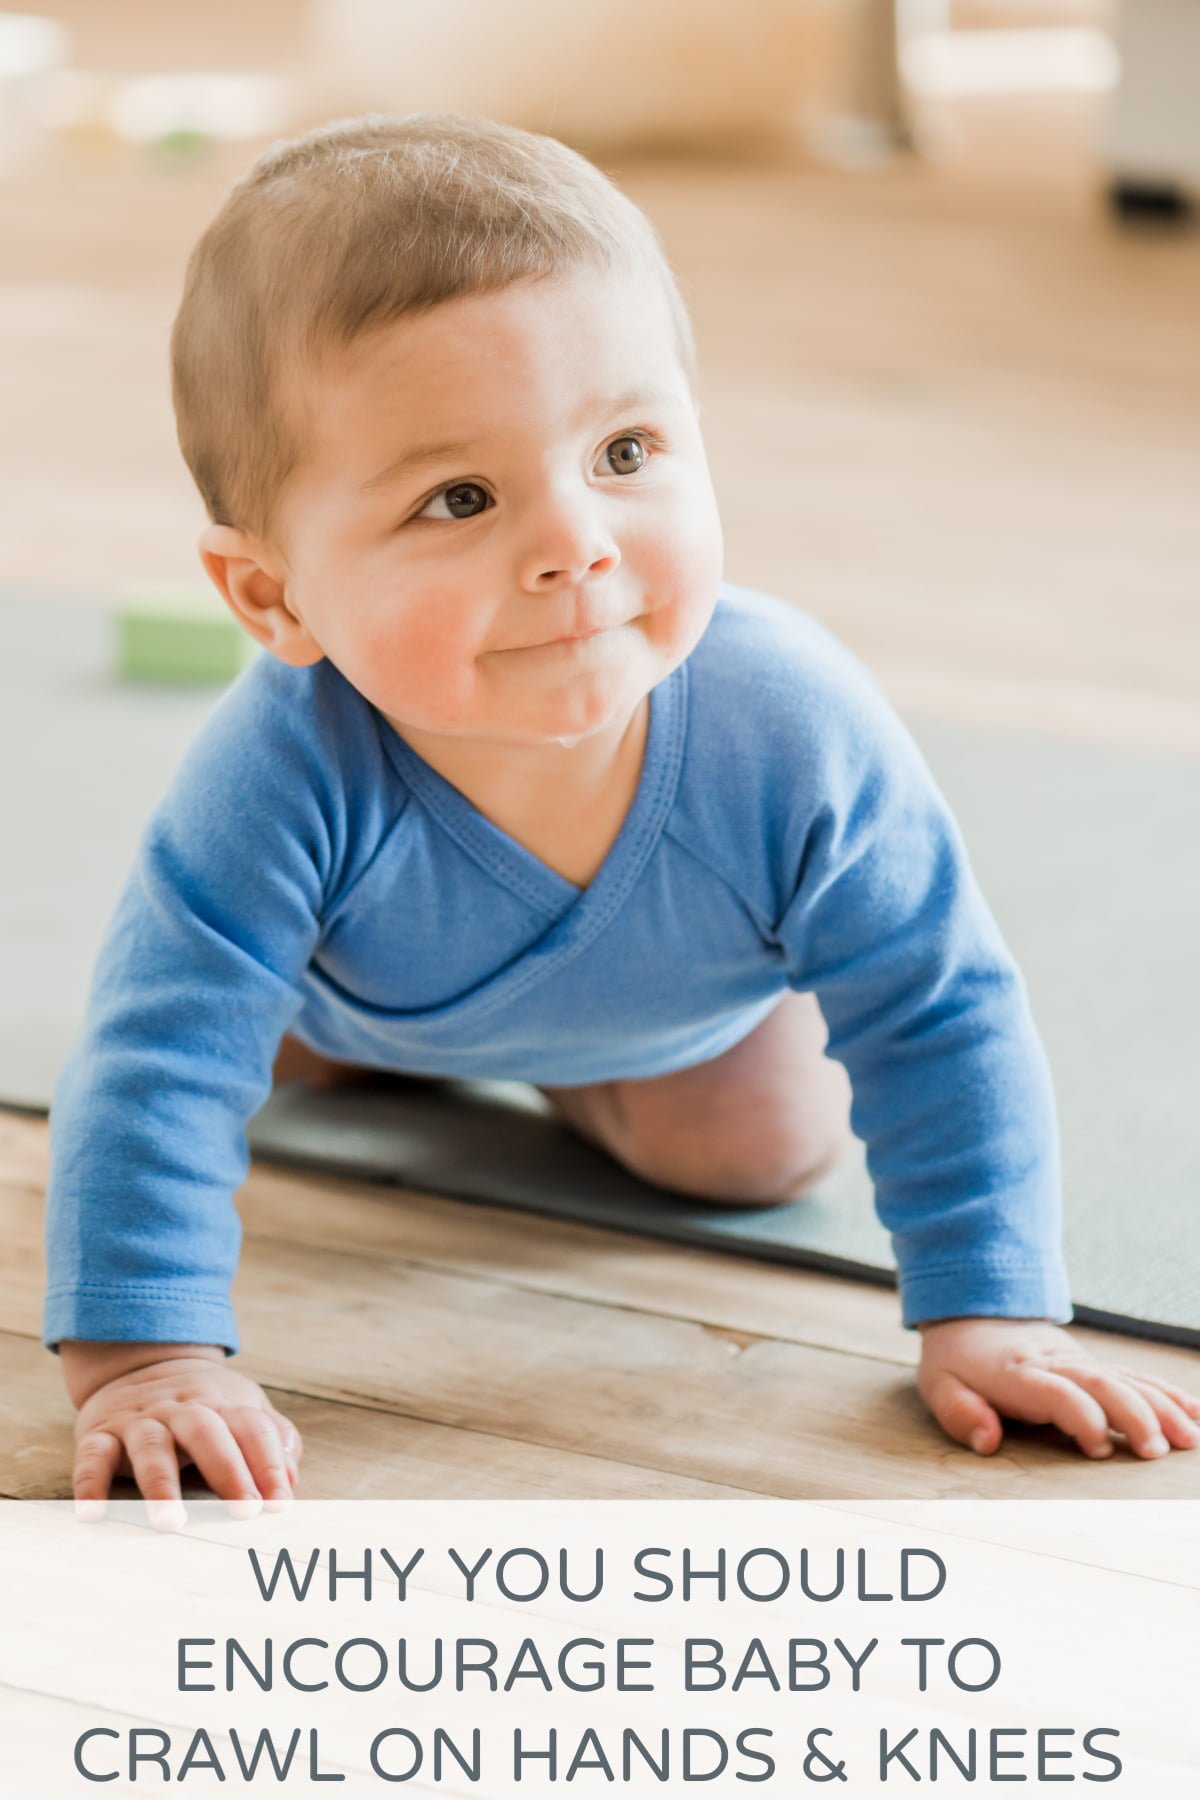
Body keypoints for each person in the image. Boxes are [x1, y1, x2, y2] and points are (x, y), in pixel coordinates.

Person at [45, 115, 1199, 1522]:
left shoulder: (795, 723)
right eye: (458, 497)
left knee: (760, 1153)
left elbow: (940, 1004)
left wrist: (994, 1308)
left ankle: (573, 1072)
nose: (573, 544)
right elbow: (155, 1055)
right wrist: (145, 1360)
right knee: (239, 1037)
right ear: (272, 600)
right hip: (366, 998)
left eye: (628, 448)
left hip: (675, 1017)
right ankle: (341, 1041)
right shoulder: (278, 771)